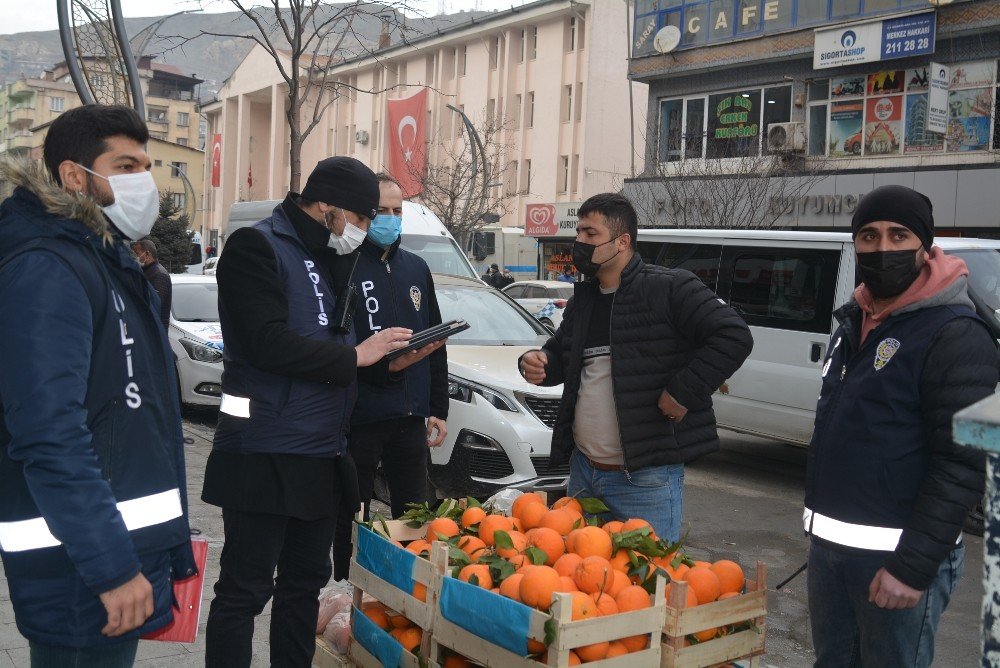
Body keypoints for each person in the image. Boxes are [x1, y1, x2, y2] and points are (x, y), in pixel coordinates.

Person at [201, 157, 419, 667]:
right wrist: (353, 356)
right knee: (245, 588)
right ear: (327, 206)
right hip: (263, 449)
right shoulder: (256, 246)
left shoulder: (329, 253)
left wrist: (383, 363)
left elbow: (330, 347)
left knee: (303, 587)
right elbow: (265, 343)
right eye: (361, 219)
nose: (365, 231)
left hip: (322, 450)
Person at [0, 104, 196, 667]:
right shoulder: (47, 268)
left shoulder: (102, 259)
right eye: (127, 165)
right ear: (73, 176)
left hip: (110, 557)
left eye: (147, 166)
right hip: (81, 573)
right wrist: (112, 567)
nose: (145, 182)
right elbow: (48, 434)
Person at [803, 185, 997, 667]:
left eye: (898, 234)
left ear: (925, 246)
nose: (882, 248)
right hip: (832, 553)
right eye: (868, 235)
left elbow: (964, 463)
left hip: (897, 565)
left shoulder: (956, 333)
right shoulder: (856, 322)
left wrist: (911, 569)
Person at [518, 193, 752, 542]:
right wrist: (538, 363)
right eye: (578, 232)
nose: (579, 242)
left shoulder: (669, 287)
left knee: (644, 587)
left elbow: (733, 335)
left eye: (590, 234)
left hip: (644, 482)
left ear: (622, 241)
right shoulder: (585, 299)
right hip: (584, 474)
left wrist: (683, 391)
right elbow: (560, 355)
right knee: (587, 585)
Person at [332, 172, 448, 580]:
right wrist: (384, 368)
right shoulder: (343, 266)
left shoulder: (416, 268)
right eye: (380, 211)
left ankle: (409, 582)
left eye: (397, 211)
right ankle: (348, 581)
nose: (390, 218)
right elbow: (338, 346)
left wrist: (438, 408)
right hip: (361, 414)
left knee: (414, 509)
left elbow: (436, 344)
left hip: (410, 414)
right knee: (354, 506)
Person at [132, 238, 172, 330]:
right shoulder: (145, 271)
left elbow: (154, 306)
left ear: (147, 254)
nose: (136, 258)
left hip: (156, 331)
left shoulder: (159, 275)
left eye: (137, 254)